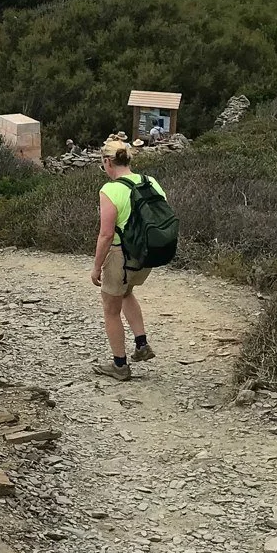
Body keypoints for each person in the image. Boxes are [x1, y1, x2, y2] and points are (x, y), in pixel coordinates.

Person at [90, 138, 163, 380]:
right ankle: (142, 344)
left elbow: (106, 234)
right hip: (146, 255)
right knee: (127, 293)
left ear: (108, 162)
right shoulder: (149, 181)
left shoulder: (110, 190)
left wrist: (96, 267)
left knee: (111, 309)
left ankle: (120, 365)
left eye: (103, 163)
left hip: (120, 257)